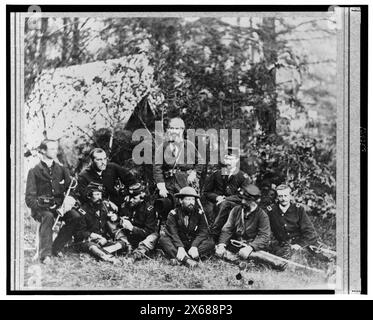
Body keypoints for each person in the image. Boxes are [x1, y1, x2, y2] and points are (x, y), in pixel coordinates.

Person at [25, 139, 81, 264]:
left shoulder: (62, 170)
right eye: (51, 149)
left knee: (75, 217)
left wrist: (65, 205)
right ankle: (45, 255)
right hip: (41, 210)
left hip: (60, 208)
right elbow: (29, 199)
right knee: (48, 216)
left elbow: (71, 189)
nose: (55, 151)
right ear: (43, 151)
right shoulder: (34, 171)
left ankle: (55, 248)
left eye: (56, 148)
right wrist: (45, 205)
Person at [153, 117, 203, 221]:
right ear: (168, 130)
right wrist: (161, 187)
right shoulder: (162, 147)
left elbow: (200, 162)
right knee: (167, 207)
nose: (174, 131)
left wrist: (194, 173)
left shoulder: (189, 145)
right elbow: (157, 168)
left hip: (185, 182)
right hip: (169, 183)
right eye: (171, 128)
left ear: (182, 130)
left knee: (186, 208)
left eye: (177, 128)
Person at [158, 187, 215, 268]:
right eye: (188, 199)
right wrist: (180, 247)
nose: (191, 202)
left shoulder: (199, 213)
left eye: (193, 200)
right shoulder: (173, 214)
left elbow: (203, 231)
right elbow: (173, 233)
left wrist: (194, 246)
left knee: (210, 243)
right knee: (163, 240)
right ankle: (187, 260)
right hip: (178, 242)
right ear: (181, 201)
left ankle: (180, 258)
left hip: (192, 242)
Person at [75, 182, 130, 264]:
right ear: (89, 195)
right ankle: (108, 258)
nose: (100, 197)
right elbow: (79, 233)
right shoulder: (82, 211)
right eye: (96, 194)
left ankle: (100, 253)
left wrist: (115, 217)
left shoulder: (104, 207)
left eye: (100, 194)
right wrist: (93, 236)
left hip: (103, 241)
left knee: (122, 244)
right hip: (87, 241)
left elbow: (115, 219)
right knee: (92, 246)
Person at [215, 184, 271, 264]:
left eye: (247, 200)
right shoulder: (236, 210)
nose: (243, 202)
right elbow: (227, 229)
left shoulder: (262, 215)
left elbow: (264, 236)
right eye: (243, 199)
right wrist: (222, 244)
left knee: (257, 257)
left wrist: (250, 247)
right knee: (219, 251)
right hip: (236, 245)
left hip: (252, 247)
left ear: (254, 201)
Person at [266, 184, 318, 259]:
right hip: (281, 245)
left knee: (318, 257)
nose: (283, 199)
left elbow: (309, 231)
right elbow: (266, 230)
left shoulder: (298, 209)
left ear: (290, 196)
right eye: (280, 196)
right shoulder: (271, 210)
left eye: (286, 195)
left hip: (298, 243)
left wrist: (300, 244)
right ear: (277, 197)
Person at [203, 146, 250, 224]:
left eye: (231, 159)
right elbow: (206, 192)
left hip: (235, 205)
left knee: (224, 205)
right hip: (216, 204)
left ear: (237, 160)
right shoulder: (217, 174)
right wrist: (217, 197)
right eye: (227, 159)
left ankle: (215, 230)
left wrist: (226, 199)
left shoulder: (243, 176)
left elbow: (244, 196)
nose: (228, 162)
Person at [117, 183, 159, 260]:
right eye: (130, 197)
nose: (131, 200)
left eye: (134, 198)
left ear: (142, 198)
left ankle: (136, 255)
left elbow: (149, 231)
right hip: (129, 236)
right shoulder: (125, 205)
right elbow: (119, 220)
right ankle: (126, 247)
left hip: (142, 237)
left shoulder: (149, 209)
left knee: (153, 236)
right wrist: (120, 221)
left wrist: (132, 228)